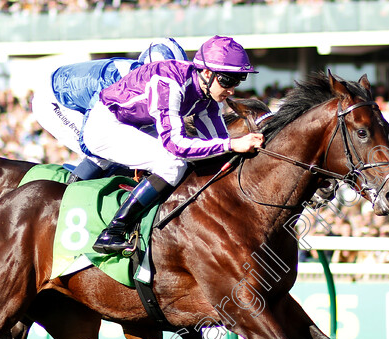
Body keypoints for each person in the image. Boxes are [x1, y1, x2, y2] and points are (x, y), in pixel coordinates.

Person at [81, 35, 265, 254]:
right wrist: (233, 144)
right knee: (172, 164)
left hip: (134, 126)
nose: (232, 90)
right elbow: (176, 145)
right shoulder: (169, 82)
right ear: (207, 73)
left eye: (238, 80)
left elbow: (218, 148)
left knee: (205, 158)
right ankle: (114, 231)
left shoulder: (209, 96)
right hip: (106, 126)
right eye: (227, 81)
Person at [31, 38, 188, 183]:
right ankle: (68, 199)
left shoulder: (142, 77)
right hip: (54, 102)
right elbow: (94, 126)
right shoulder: (120, 79)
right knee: (101, 154)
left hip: (75, 98)